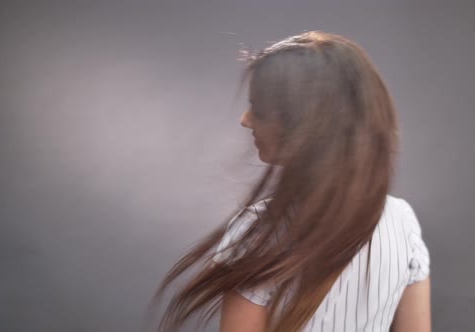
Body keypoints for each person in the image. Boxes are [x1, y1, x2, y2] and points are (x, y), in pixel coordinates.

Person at [154, 31, 431, 332]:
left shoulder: (260, 231)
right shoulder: (402, 221)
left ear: (304, 123)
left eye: (258, 107)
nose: (245, 120)